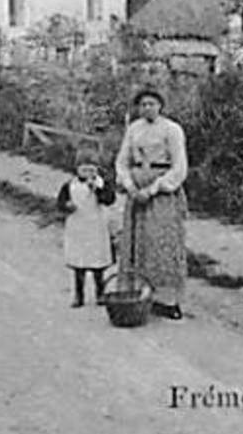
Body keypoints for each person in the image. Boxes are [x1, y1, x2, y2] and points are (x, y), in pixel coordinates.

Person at [114, 88, 189, 320]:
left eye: (152, 104)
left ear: (160, 106)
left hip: (162, 192)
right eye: (143, 104)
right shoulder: (134, 128)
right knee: (137, 242)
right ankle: (140, 293)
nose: (147, 108)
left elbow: (179, 167)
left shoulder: (172, 129)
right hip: (137, 191)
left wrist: (155, 188)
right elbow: (122, 161)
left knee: (162, 242)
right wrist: (129, 185)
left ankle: (168, 300)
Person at [55, 150, 115, 307]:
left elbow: (109, 200)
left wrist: (97, 189)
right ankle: (78, 294)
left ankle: (100, 292)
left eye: (92, 170)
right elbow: (60, 203)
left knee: (98, 263)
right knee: (79, 263)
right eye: (84, 170)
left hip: (97, 227)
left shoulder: (102, 184)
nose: (88, 173)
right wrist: (67, 206)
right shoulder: (70, 186)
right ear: (77, 170)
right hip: (78, 228)